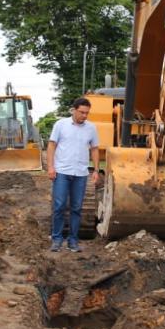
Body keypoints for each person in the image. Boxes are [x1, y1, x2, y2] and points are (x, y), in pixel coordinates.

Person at [46, 98, 99, 252]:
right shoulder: (61, 125)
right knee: (59, 206)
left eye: (87, 113)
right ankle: (56, 239)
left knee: (76, 208)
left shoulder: (91, 128)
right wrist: (50, 167)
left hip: (80, 174)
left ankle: (73, 241)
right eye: (82, 112)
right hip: (61, 172)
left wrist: (95, 170)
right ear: (74, 110)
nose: (84, 116)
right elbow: (51, 145)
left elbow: (94, 148)